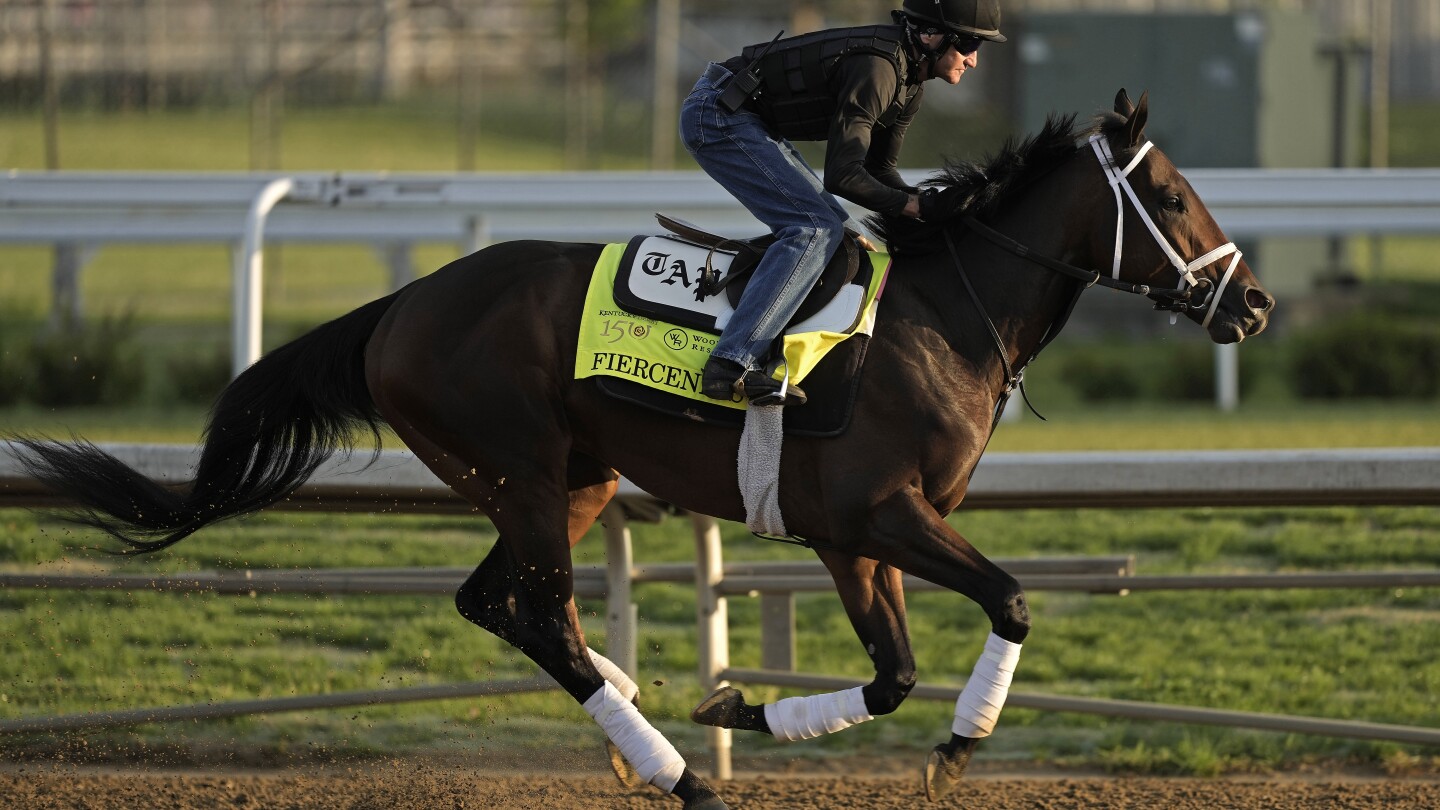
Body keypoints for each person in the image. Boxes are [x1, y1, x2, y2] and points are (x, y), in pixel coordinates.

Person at [681, 0, 1006, 406]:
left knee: (840, 233)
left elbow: (880, 173)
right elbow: (844, 177)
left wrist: (931, 205)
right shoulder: (879, 69)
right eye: (970, 46)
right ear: (931, 37)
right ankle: (731, 363)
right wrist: (917, 208)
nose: (974, 61)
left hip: (750, 119)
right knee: (815, 228)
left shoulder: (910, 85)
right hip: (717, 114)